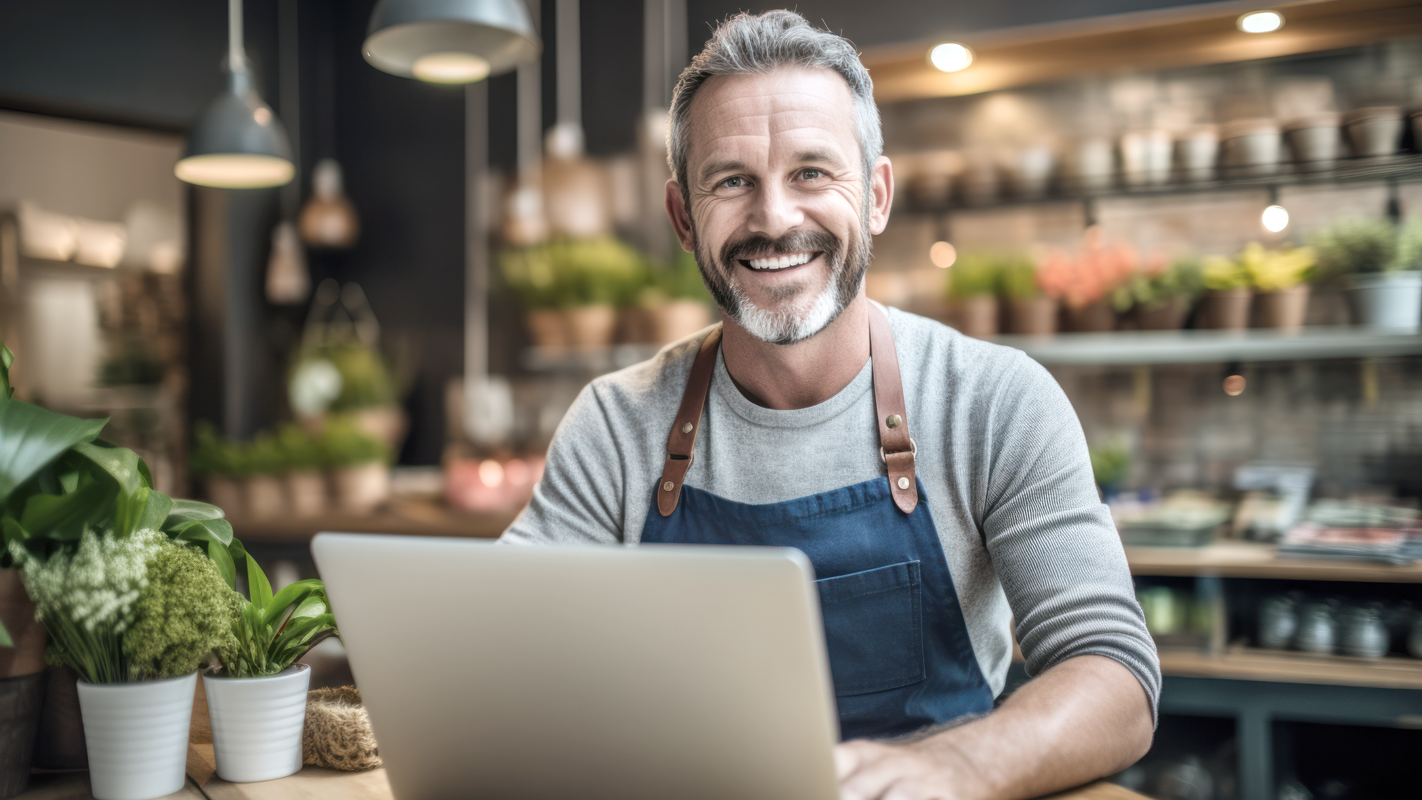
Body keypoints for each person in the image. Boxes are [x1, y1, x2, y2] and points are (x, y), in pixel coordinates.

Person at [501, 10, 1158, 799]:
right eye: (732, 180)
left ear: (876, 196)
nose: (775, 218)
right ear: (684, 218)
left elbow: (1115, 677)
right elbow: (498, 652)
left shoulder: (994, 400)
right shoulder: (617, 425)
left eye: (812, 172)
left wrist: (958, 766)